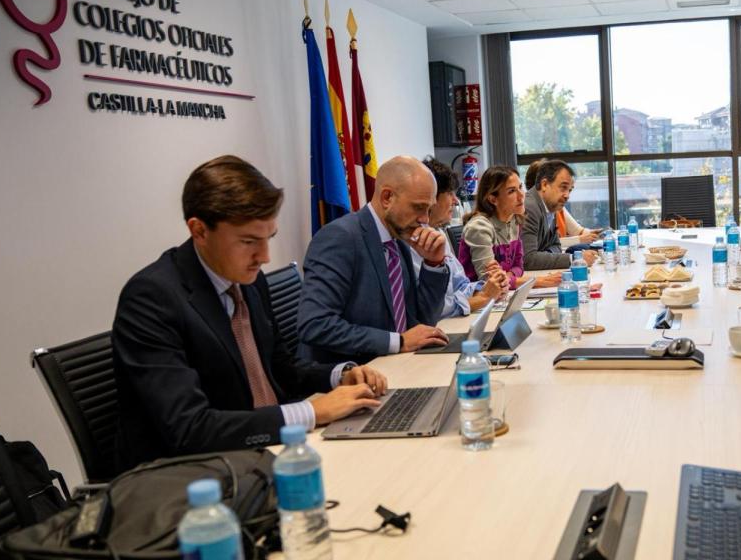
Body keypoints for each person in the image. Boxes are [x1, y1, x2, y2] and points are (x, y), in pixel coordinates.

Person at [112, 155, 387, 471]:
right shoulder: (151, 299)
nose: (265, 257)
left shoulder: (248, 281)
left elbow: (280, 367)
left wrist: (339, 375)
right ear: (199, 230)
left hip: (272, 448)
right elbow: (190, 429)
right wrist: (313, 411)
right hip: (200, 474)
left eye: (268, 239)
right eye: (248, 241)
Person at [297, 156, 451, 365]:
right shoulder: (341, 237)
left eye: (428, 210)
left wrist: (433, 264)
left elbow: (423, 322)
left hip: (399, 365)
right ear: (387, 197)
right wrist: (398, 341)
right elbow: (316, 324)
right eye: (418, 207)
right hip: (353, 377)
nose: (425, 219)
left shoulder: (399, 239)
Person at [416, 157, 509, 318]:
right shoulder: (414, 241)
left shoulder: (437, 232)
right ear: (431, 197)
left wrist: (488, 287)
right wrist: (485, 297)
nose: (455, 200)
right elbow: (439, 307)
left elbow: (461, 285)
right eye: (450, 193)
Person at [458, 165, 562, 289]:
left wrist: (507, 276)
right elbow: (490, 282)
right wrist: (538, 281)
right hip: (479, 302)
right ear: (493, 199)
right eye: (511, 191)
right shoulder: (479, 228)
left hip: (503, 296)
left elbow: (519, 265)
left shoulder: (514, 220)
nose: (521, 195)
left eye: (520, 187)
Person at [523, 159, 597, 270]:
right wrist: (574, 259)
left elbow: (556, 246)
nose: (567, 195)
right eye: (563, 187)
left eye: (570, 190)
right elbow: (529, 259)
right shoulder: (530, 207)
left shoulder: (550, 207)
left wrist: (543, 255)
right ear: (544, 184)